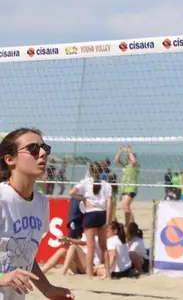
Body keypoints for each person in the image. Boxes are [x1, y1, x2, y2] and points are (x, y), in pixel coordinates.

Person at [0, 128, 74, 299]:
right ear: (10, 159)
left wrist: (47, 289)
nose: (42, 153)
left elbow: (25, 256)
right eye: (33, 148)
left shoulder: (41, 202)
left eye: (45, 148)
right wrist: (2, 278)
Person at [68, 162, 112, 279]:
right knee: (104, 247)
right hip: (102, 214)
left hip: (90, 214)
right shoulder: (107, 185)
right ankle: (108, 274)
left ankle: (89, 275)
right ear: (101, 171)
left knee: (90, 246)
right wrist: (107, 220)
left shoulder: (85, 182)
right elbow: (109, 204)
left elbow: (71, 192)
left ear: (90, 171)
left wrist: (82, 198)